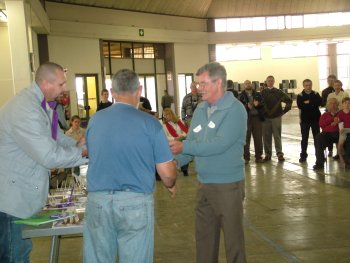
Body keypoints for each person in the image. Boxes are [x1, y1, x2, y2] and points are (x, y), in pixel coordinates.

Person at [83, 69, 177, 263]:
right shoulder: (150, 124)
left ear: (112, 92)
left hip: (98, 202)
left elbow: (89, 153)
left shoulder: (95, 120)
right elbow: (167, 174)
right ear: (139, 90)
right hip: (134, 203)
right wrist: (171, 183)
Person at [0, 62, 88, 262]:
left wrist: (76, 143)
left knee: (20, 253)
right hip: (11, 200)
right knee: (15, 256)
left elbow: (53, 138)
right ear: (46, 83)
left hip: (21, 195)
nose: (65, 89)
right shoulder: (25, 109)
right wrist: (83, 152)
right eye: (61, 84)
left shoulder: (41, 106)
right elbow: (49, 156)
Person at [170, 62, 247, 263]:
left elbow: (218, 144)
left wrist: (184, 148)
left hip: (228, 186)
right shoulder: (201, 109)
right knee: (204, 240)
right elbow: (193, 141)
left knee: (234, 243)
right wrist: (174, 163)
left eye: (203, 83)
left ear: (218, 82)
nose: (198, 88)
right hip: (204, 185)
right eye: (197, 83)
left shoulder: (235, 110)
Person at [261, 75, 292, 162]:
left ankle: (279, 154)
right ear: (266, 82)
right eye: (268, 81)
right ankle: (267, 154)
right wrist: (262, 114)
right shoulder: (262, 93)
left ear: (274, 82)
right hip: (265, 118)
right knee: (266, 137)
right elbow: (258, 104)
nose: (270, 82)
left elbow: (289, 101)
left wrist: (283, 112)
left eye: (271, 81)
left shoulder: (279, 92)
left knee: (277, 136)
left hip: (276, 117)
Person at [238, 79, 265, 163]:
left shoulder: (258, 94)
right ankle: (246, 158)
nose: (248, 85)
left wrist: (258, 104)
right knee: (246, 138)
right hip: (246, 119)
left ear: (251, 85)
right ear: (243, 85)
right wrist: (246, 106)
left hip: (257, 118)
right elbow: (238, 107)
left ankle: (258, 157)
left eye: (249, 83)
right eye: (246, 83)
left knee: (258, 138)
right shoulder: (241, 96)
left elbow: (263, 103)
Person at [296, 79, 322, 163]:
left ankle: (319, 155)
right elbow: (300, 105)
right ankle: (303, 155)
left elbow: (320, 102)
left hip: (315, 120)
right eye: (306, 85)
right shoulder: (300, 95)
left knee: (317, 138)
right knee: (304, 139)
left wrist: (309, 102)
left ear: (312, 85)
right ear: (303, 86)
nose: (308, 86)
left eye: (309, 85)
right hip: (304, 121)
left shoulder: (316, 94)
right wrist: (312, 104)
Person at [313, 98, 340, 170]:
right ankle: (319, 162)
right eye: (331, 103)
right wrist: (331, 120)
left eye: (335, 103)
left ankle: (346, 160)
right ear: (328, 106)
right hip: (328, 134)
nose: (333, 105)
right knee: (318, 137)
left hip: (339, 133)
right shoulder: (324, 115)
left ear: (337, 105)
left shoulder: (341, 113)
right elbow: (322, 125)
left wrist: (331, 125)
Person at [162, 108, 189, 176]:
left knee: (185, 152)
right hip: (172, 143)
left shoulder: (180, 122)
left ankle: (185, 169)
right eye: (164, 115)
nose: (165, 117)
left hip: (182, 140)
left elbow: (186, 131)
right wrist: (174, 138)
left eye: (167, 115)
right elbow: (165, 137)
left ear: (171, 114)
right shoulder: (164, 125)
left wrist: (181, 136)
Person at [337, 97, 350, 164]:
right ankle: (341, 157)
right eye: (345, 103)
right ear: (342, 104)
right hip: (344, 129)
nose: (347, 105)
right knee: (340, 144)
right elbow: (340, 122)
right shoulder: (340, 113)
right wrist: (341, 129)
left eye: (348, 103)